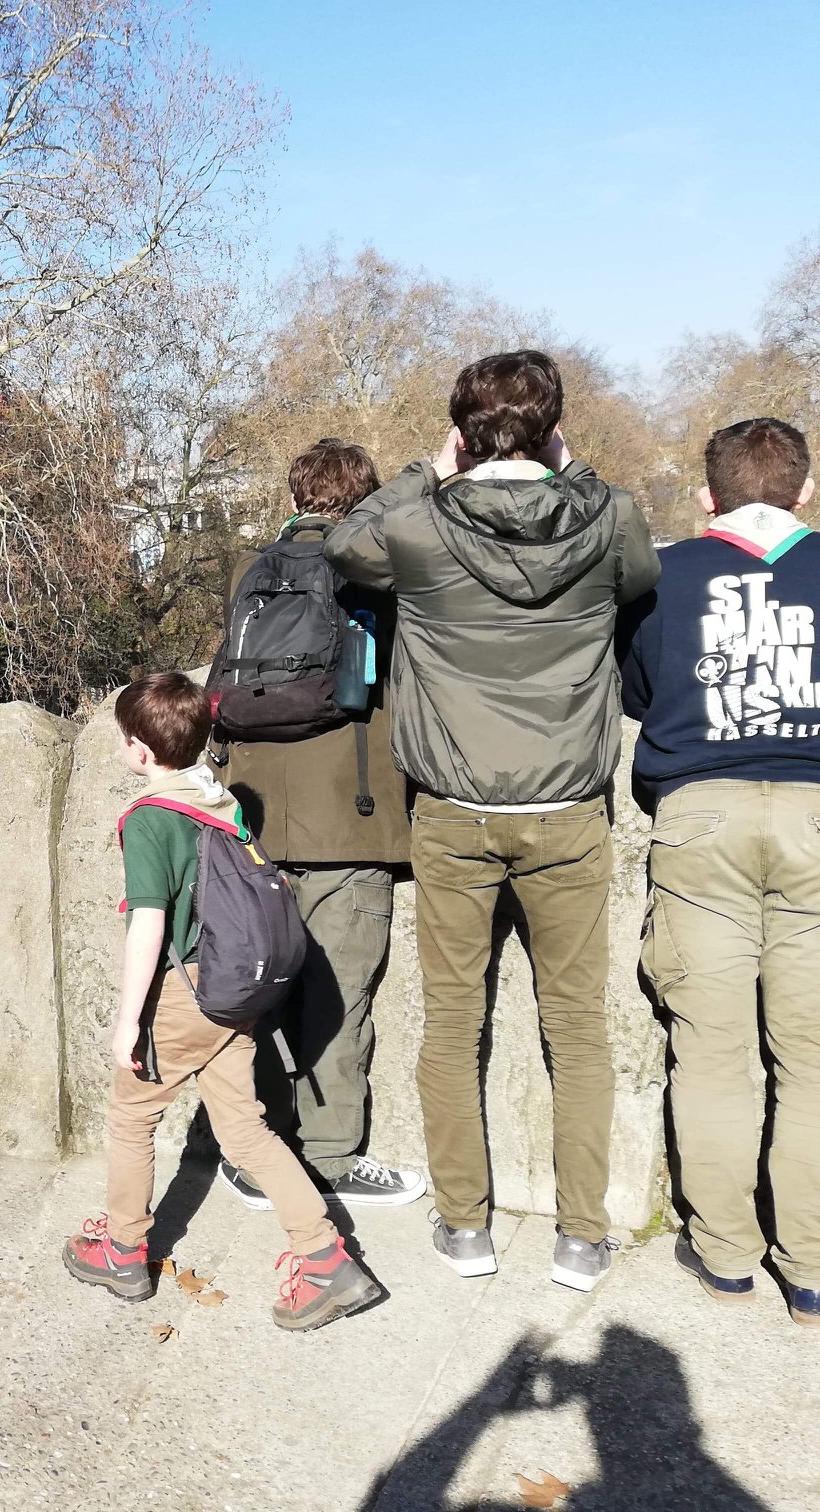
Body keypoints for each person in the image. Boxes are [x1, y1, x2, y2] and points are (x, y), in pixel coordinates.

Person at [327, 350, 659, 1292]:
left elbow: (343, 541)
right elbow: (639, 576)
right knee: (577, 1029)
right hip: (568, 814)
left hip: (454, 814)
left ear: (463, 433)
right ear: (553, 429)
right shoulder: (609, 519)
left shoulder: (421, 529)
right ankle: (581, 1239)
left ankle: (465, 1228)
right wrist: (575, 469)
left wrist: (429, 470)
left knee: (451, 1021)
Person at [62, 672, 381, 1331]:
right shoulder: (221, 803)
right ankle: (324, 1255)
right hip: (236, 994)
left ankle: (123, 1249)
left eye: (126, 741)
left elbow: (149, 924)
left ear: (140, 752)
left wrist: (129, 1022)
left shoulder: (152, 819)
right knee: (244, 1128)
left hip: (183, 996)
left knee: (132, 1117)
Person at [618, 416, 820, 1327]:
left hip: (700, 815)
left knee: (710, 1053)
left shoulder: (665, 576)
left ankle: (728, 1254)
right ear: (804, 491)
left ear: (709, 496)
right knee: (813, 1060)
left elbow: (637, 690)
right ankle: (810, 1263)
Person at [216, 439, 424, 1210]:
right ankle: (332, 1157)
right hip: (353, 820)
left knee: (256, 990)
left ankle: (253, 1152)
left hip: (254, 822)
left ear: (295, 491)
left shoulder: (248, 574)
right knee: (340, 998)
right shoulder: (378, 572)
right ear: (363, 499)